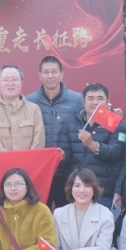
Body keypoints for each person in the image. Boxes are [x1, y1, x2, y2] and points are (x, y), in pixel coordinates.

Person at [27, 56, 83, 208]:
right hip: (39, 171)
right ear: (40, 75)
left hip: (67, 171)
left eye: (54, 71)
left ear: (61, 74)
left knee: (66, 214)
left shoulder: (77, 99)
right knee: (39, 213)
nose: (50, 76)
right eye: (46, 72)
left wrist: (112, 113)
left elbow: (92, 118)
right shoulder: (28, 101)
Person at [67, 84, 125, 210]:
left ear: (108, 101)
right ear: (83, 102)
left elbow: (116, 153)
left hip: (103, 191)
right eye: (90, 98)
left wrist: (92, 145)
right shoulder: (71, 123)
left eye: (100, 98)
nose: (95, 102)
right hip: (77, 191)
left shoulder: (115, 122)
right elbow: (66, 157)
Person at [0, 66, 46, 152]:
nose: (10, 83)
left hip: (30, 160)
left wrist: (28, 159)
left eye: (15, 79)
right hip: (1, 160)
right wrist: (10, 159)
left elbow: (39, 141)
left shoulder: (34, 109)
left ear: (21, 82)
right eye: (6, 80)